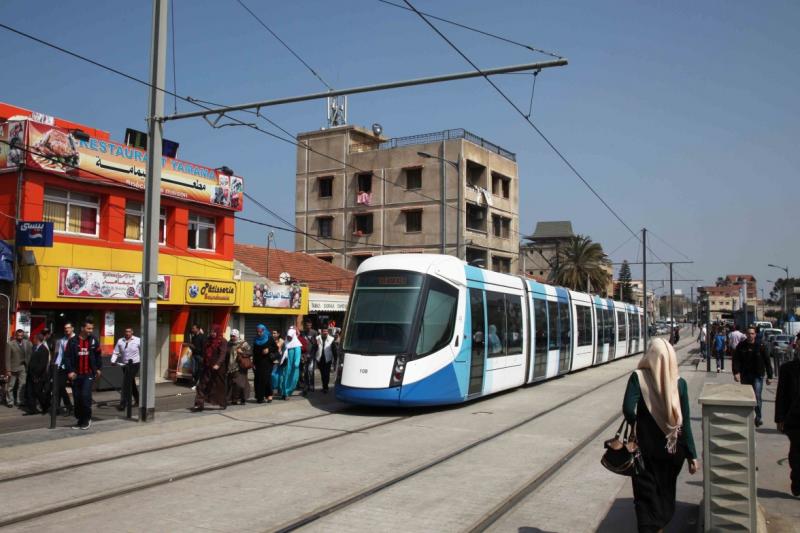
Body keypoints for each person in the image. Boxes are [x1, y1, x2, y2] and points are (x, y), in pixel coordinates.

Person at [622, 338, 699, 532]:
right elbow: (686, 422)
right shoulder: (679, 383)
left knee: (645, 495)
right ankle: (659, 526)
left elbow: (628, 410)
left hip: (646, 450)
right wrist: (692, 455)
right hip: (673, 450)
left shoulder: (637, 377)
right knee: (665, 492)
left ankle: (650, 527)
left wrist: (638, 424)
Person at [63, 320, 102, 430]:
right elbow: (67, 357)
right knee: (77, 398)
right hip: (76, 375)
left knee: (85, 396)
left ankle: (87, 419)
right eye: (88, 328)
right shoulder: (72, 341)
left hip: (88, 374)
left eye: (92, 329)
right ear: (82, 328)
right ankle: (80, 420)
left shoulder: (93, 340)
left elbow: (98, 355)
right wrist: (70, 371)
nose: (90, 331)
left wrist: (98, 368)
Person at [733, 327, 773, 427]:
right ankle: (746, 416)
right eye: (748, 333)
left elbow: (767, 361)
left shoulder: (761, 345)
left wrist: (770, 376)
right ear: (746, 334)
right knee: (746, 396)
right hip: (745, 374)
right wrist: (736, 372)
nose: (750, 335)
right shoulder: (741, 346)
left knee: (757, 395)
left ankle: (758, 417)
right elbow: (736, 360)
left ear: (755, 335)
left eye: (752, 333)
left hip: (757, 375)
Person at [775, 349, 800, 497]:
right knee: (796, 454)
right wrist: (779, 418)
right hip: (795, 419)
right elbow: (781, 395)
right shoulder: (787, 369)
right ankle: (797, 483)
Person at [192, 325, 227, 412]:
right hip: (207, 366)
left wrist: (218, 364)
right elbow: (204, 352)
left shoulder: (222, 341)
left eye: (214, 332)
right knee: (201, 385)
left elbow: (223, 354)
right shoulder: (208, 340)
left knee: (218, 386)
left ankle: (222, 402)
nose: (212, 334)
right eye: (211, 332)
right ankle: (199, 404)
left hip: (218, 368)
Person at [112, 327, 140, 412]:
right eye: (126, 331)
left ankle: (123, 403)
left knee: (126, 383)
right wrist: (113, 361)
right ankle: (138, 400)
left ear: (132, 332)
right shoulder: (120, 341)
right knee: (131, 382)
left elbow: (143, 351)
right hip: (125, 365)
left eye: (129, 331)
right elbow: (116, 352)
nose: (127, 333)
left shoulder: (138, 340)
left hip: (135, 364)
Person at [4, 329, 32, 408]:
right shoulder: (10, 344)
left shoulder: (26, 343)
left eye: (21, 336)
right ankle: (10, 401)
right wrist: (8, 369)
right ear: (16, 335)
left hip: (23, 367)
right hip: (13, 368)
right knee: (11, 386)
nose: (20, 337)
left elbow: (30, 350)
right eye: (18, 336)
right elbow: (7, 358)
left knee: (22, 385)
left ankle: (20, 401)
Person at [25, 333, 51, 415]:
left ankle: (46, 406)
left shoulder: (44, 350)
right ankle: (32, 409)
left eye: (34, 339)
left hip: (38, 376)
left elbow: (42, 364)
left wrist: (36, 375)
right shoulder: (34, 348)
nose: (33, 340)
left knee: (38, 392)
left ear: (37, 339)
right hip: (31, 374)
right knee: (30, 392)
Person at [251, 324, 277, 404]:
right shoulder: (256, 339)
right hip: (258, 362)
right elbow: (254, 352)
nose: (259, 333)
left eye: (260, 332)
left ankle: (269, 394)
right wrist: (253, 363)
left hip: (267, 362)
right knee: (258, 379)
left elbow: (275, 348)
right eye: (257, 332)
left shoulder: (269, 338)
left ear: (264, 330)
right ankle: (259, 397)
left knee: (266, 379)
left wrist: (268, 349)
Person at [53, 323, 75, 416]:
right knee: (59, 387)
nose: (67, 329)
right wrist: (56, 366)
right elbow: (60, 354)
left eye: (68, 328)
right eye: (65, 328)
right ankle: (58, 407)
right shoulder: (62, 340)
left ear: (72, 328)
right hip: (62, 367)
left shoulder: (76, 339)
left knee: (76, 389)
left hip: (73, 368)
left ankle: (76, 408)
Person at [227, 329, 252, 405]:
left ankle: (243, 398)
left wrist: (242, 352)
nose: (232, 337)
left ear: (237, 336)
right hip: (231, 366)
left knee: (240, 384)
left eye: (233, 336)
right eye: (231, 336)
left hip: (240, 366)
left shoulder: (243, 343)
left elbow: (250, 352)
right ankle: (234, 399)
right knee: (233, 384)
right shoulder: (229, 343)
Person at [276, 326, 302, 400]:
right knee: (283, 379)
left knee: (292, 380)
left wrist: (296, 363)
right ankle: (284, 393)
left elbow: (297, 355)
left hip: (293, 367)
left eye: (290, 336)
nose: (289, 338)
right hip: (285, 365)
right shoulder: (286, 343)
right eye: (288, 336)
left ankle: (287, 392)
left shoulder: (296, 345)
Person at [300, 320, 318, 395]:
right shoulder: (302, 333)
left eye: (309, 325)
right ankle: (306, 386)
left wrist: (312, 354)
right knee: (305, 371)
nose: (308, 327)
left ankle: (311, 385)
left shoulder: (314, 332)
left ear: (311, 325)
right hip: (304, 355)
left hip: (311, 355)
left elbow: (316, 345)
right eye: (307, 325)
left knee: (310, 371)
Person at [316, 328, 335, 393]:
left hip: (328, 359)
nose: (325, 332)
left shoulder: (331, 339)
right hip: (320, 359)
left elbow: (334, 350)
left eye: (326, 331)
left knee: (326, 374)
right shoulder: (317, 338)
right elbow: (315, 348)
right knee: (322, 374)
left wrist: (335, 359)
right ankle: (324, 386)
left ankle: (326, 387)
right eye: (324, 331)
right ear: (321, 332)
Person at [187, 324, 206, 390]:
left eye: (194, 328)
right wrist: (190, 346)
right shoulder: (193, 337)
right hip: (194, 355)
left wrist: (203, 357)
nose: (192, 330)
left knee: (198, 370)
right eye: (192, 328)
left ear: (198, 329)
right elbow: (192, 346)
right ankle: (196, 383)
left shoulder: (202, 337)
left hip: (199, 356)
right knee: (194, 370)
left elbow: (203, 348)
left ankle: (197, 384)